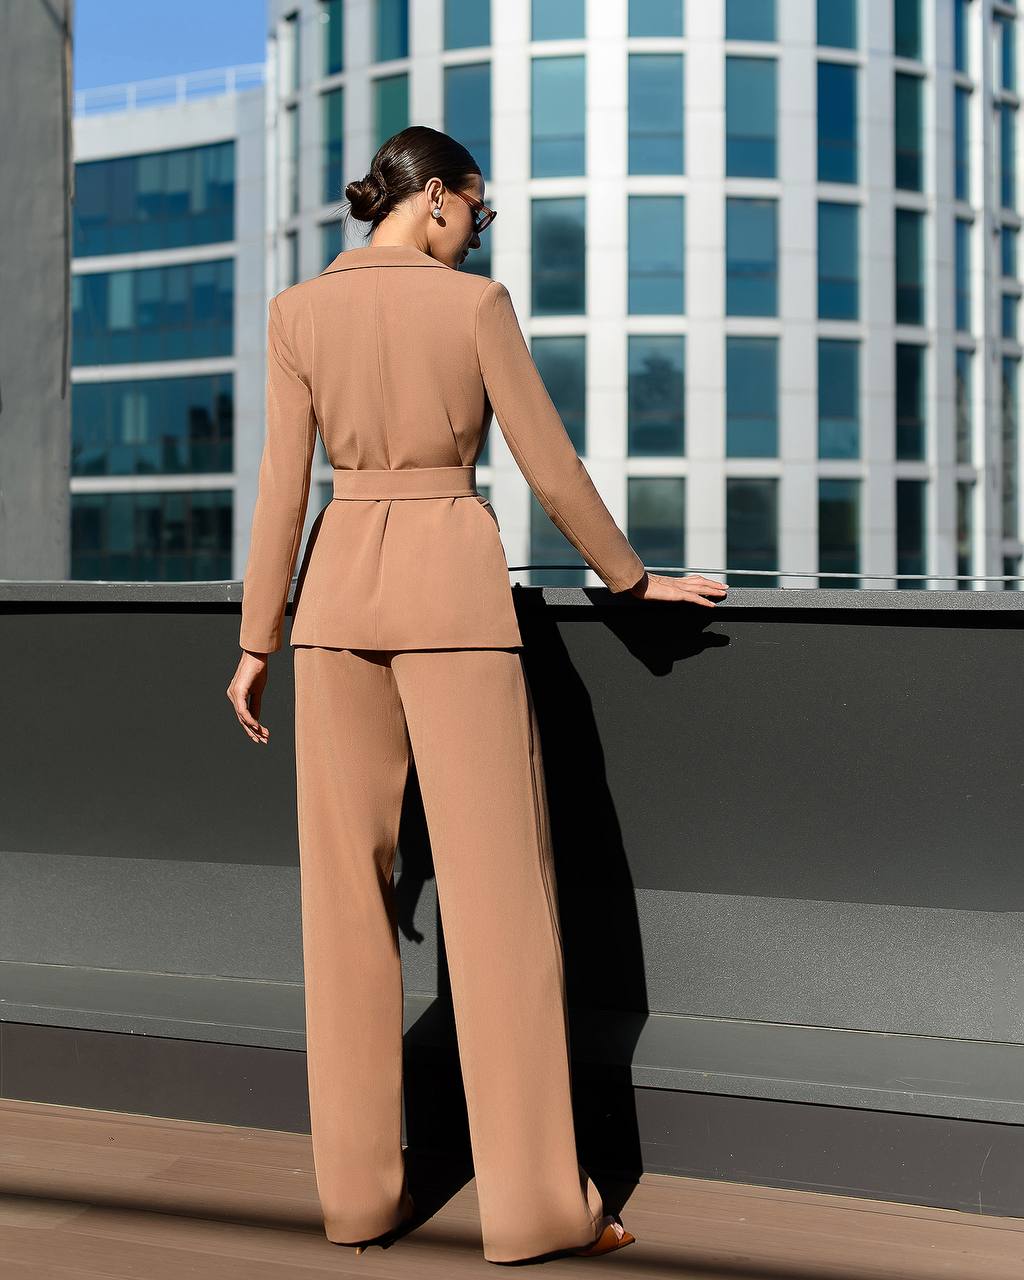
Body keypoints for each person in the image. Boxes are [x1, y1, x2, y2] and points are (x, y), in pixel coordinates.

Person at [226, 125, 727, 1264]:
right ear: (439, 198)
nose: (478, 227)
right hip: (454, 602)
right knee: (501, 912)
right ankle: (539, 1207)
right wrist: (635, 580)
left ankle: (358, 1198)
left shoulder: (298, 312)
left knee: (344, 913)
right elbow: (550, 468)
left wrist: (259, 639)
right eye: (479, 209)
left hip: (337, 606)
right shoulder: (473, 305)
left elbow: (279, 490)